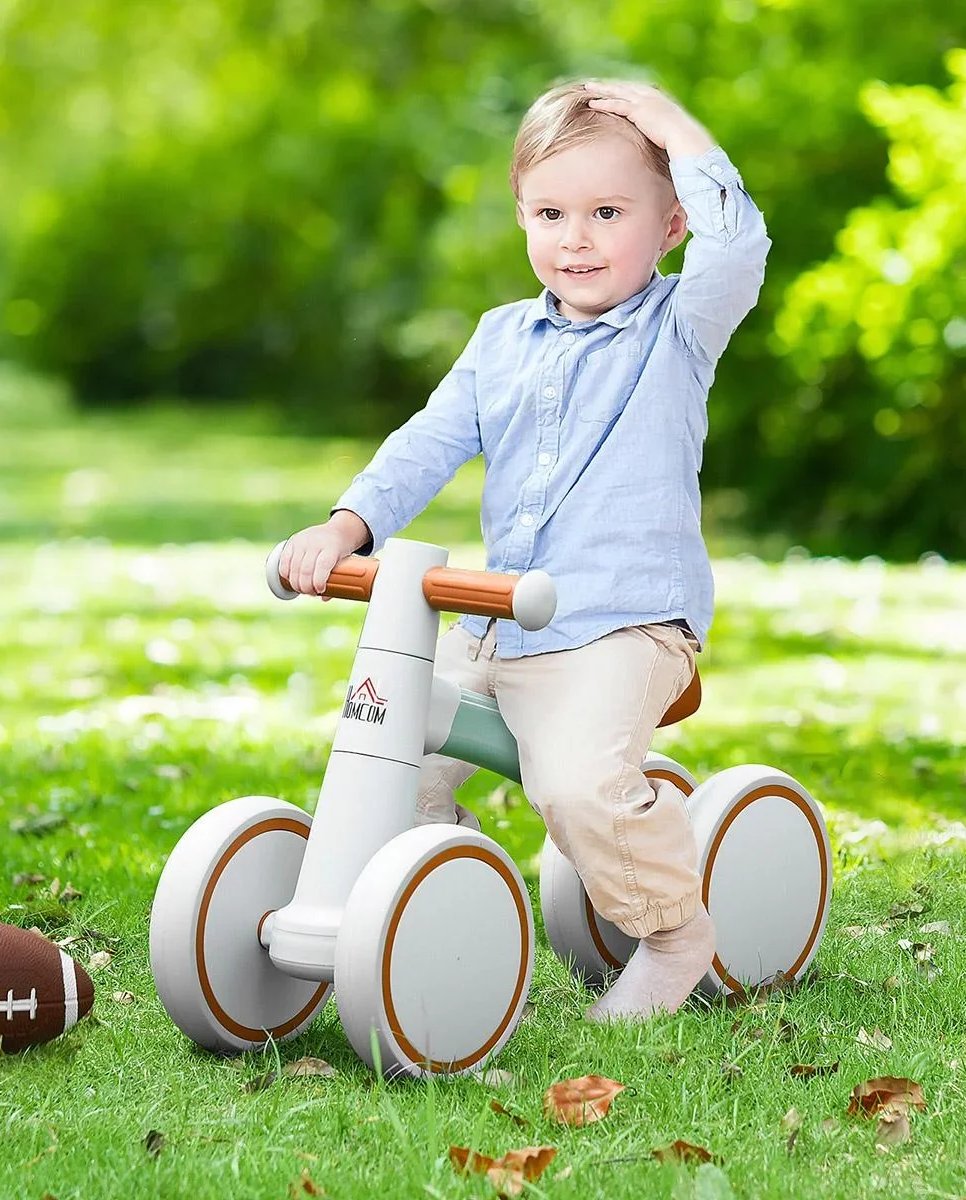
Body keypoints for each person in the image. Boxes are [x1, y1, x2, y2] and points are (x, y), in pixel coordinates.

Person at [279, 78, 770, 1021]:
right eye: (551, 213)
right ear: (521, 217)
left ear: (670, 226)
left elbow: (739, 240)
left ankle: (674, 932)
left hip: (622, 629)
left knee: (575, 784)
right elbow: (427, 442)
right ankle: (439, 891)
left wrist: (665, 119)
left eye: (607, 212)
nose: (575, 237)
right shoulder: (500, 339)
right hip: (501, 623)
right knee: (387, 755)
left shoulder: (679, 330)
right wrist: (346, 527)